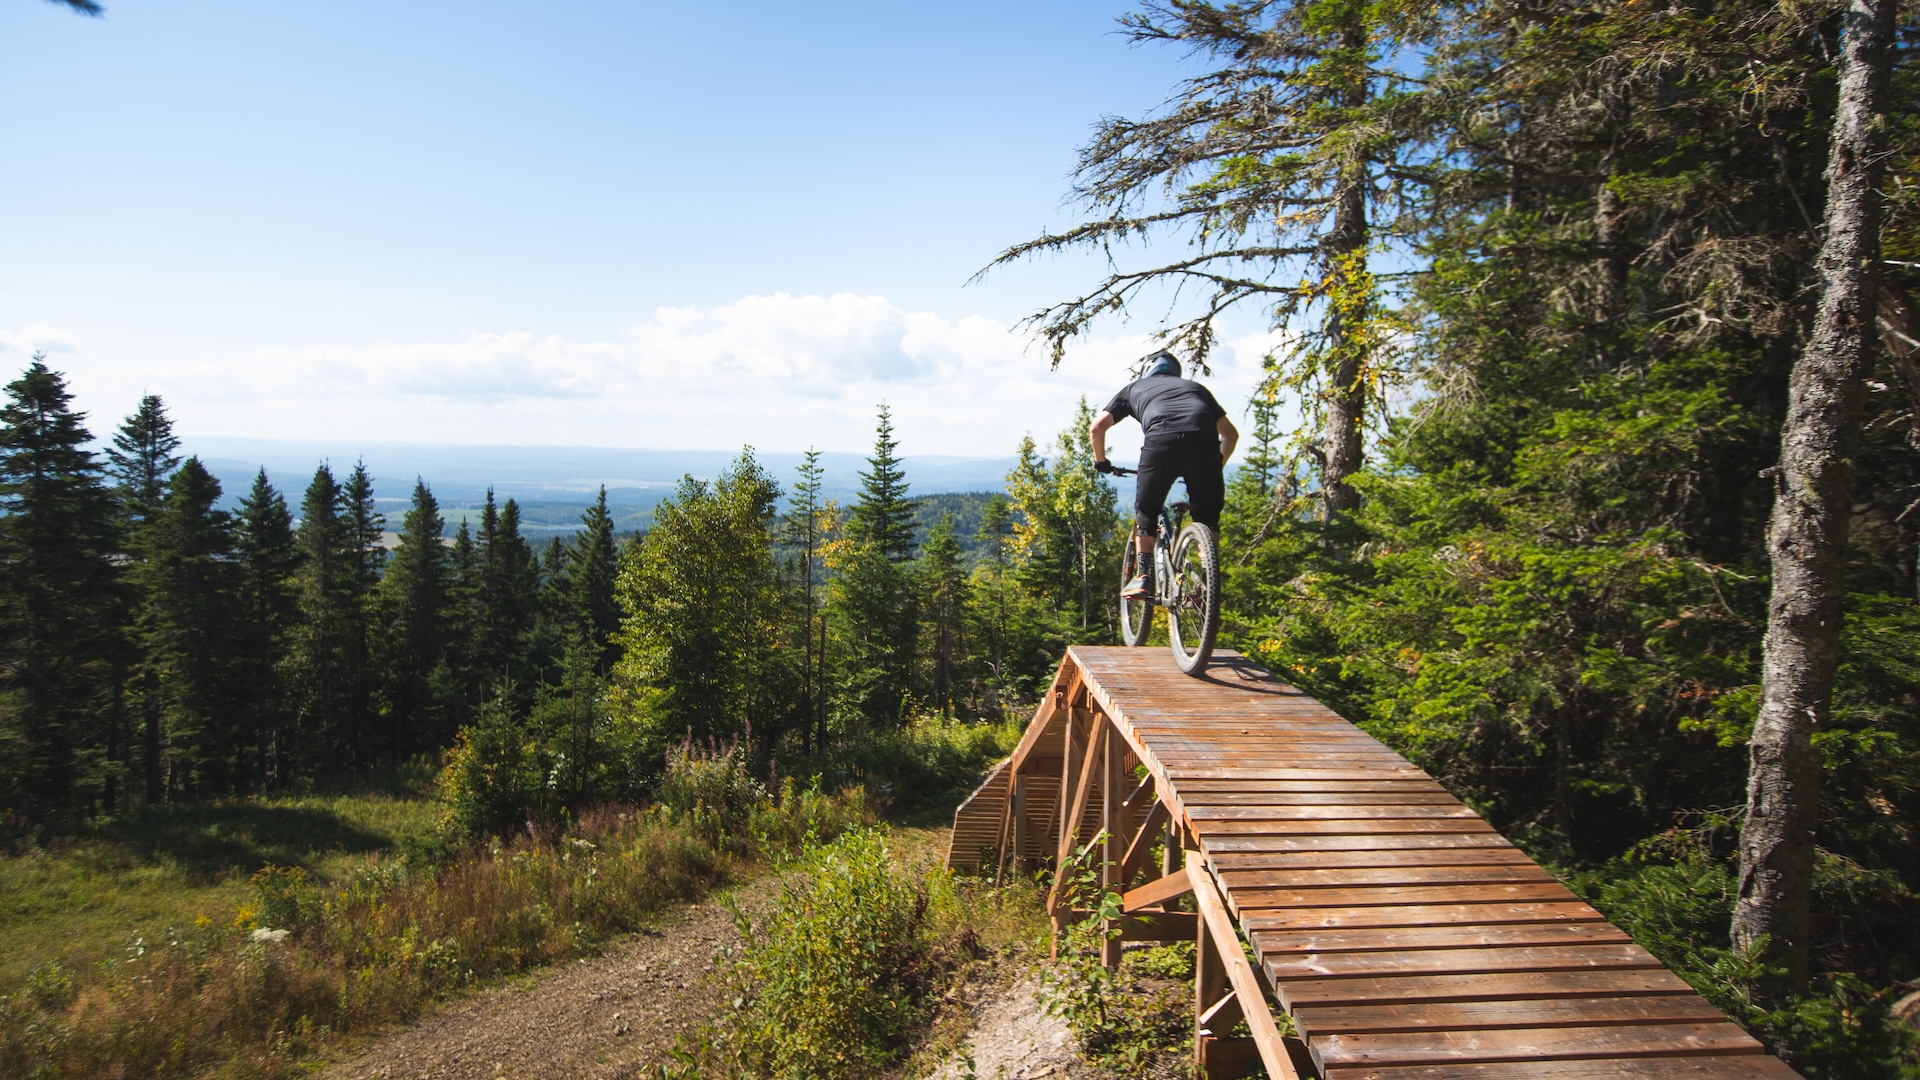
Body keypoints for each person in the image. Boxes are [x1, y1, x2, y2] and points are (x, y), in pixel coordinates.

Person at [1090, 350, 1238, 599]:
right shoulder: (1195, 388)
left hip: (1161, 441)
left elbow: (1096, 428)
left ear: (1146, 371)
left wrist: (1101, 461)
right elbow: (1230, 435)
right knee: (1208, 515)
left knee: (1147, 509)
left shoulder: (1133, 388)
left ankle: (1144, 577)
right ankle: (1207, 580)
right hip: (1204, 442)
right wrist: (1214, 466)